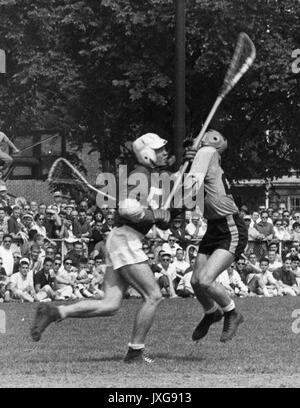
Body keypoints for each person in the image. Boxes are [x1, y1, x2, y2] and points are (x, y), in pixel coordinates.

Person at [30, 132, 196, 363]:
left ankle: (56, 312)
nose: (164, 152)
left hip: (122, 239)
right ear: (147, 154)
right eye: (159, 150)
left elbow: (176, 182)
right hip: (125, 238)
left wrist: (189, 163)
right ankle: (135, 352)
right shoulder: (141, 174)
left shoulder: (152, 175)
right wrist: (152, 214)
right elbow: (128, 209)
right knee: (154, 296)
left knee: (110, 304)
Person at [189, 130, 248, 343]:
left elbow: (189, 187)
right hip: (213, 226)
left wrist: (188, 164)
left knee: (206, 280)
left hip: (230, 225)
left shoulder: (207, 153)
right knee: (195, 281)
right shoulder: (202, 158)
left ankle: (232, 312)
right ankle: (211, 312)